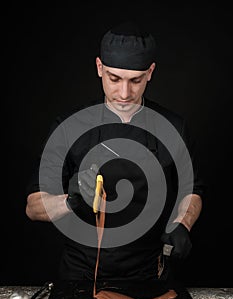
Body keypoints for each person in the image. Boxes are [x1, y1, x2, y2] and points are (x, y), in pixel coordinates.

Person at [25, 21, 204, 283]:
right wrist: (69, 200)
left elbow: (192, 190)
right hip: (82, 274)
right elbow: (32, 206)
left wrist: (183, 223)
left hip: (149, 273)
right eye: (114, 78)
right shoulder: (69, 126)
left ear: (150, 72)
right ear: (99, 68)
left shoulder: (174, 127)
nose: (124, 92)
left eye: (135, 81)